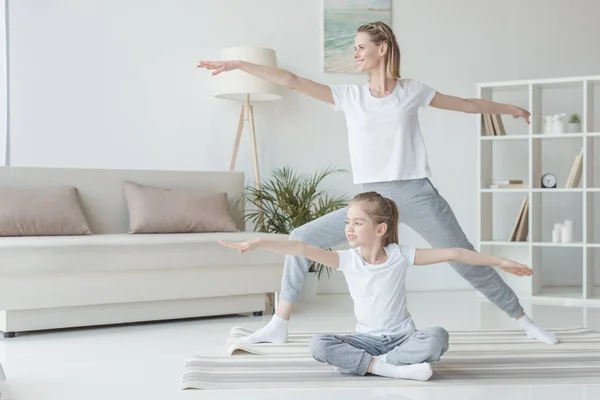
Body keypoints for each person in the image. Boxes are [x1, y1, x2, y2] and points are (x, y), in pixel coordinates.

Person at [198, 21, 558, 346]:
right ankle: (279, 324)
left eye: (360, 47)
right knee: (300, 238)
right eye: (353, 47)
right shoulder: (349, 96)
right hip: (370, 201)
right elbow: (292, 80)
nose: (354, 53)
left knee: (465, 260)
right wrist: (241, 65)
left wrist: (508, 109)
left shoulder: (412, 90)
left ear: (382, 48)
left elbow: (463, 104)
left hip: (416, 192)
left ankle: (525, 321)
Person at [219, 192, 534, 380]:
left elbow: (454, 252)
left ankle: (374, 367)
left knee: (437, 337)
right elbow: (300, 248)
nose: (349, 228)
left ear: (380, 228)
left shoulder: (400, 256)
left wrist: (502, 262)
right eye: (347, 222)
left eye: (357, 222)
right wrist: (260, 241)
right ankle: (391, 369)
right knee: (319, 344)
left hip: (403, 337)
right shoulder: (346, 259)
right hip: (366, 340)